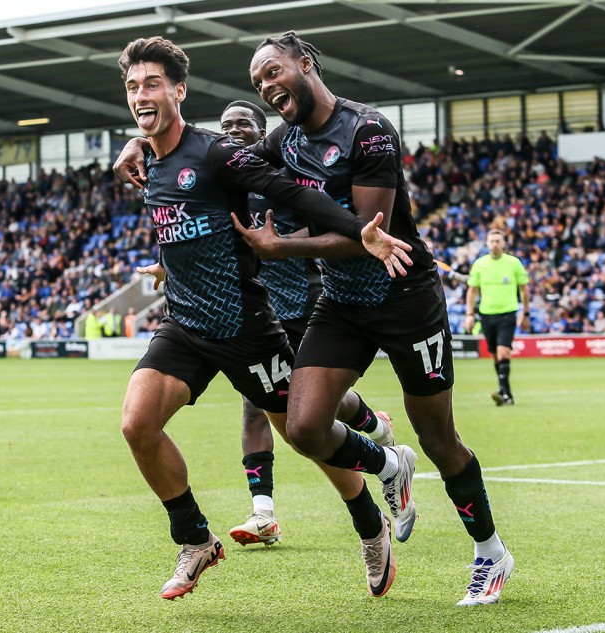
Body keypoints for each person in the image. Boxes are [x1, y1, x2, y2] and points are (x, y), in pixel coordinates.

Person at [119, 31, 515, 606]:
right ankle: (384, 464)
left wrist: (286, 250)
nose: (266, 85)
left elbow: (366, 229)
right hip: (340, 304)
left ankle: (489, 552)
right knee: (302, 428)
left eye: (273, 72)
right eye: (258, 81)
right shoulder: (283, 139)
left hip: (405, 298)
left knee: (439, 438)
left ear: (306, 64)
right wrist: (139, 140)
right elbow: (225, 174)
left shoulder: (368, 129)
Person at [217, 100, 395, 548]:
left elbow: (319, 225)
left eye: (243, 124)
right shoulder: (218, 185)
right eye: (225, 126)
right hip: (256, 309)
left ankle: (375, 427)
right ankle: (263, 514)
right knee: (256, 403)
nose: (233, 130)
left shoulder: (278, 177)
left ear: (262, 133)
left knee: (314, 402)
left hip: (303, 299)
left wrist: (277, 244)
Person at [462, 230, 530, 406]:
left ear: (503, 243)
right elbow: (473, 290)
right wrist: (469, 314)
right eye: (491, 241)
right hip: (486, 314)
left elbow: (524, 289)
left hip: (508, 313)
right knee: (495, 356)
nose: (494, 244)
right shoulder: (479, 264)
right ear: (487, 243)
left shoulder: (514, 263)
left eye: (497, 241)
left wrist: (526, 313)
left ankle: (503, 392)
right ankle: (506, 392)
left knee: (503, 352)